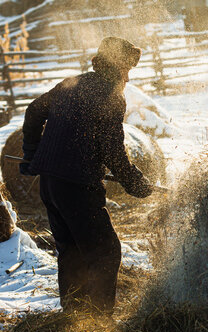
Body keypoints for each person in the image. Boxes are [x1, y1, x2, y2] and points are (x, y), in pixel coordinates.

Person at [19, 37, 153, 315]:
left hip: (50, 184)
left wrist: (32, 154)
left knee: (72, 253)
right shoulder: (111, 96)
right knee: (106, 252)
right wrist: (135, 182)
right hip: (77, 187)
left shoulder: (72, 83)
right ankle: (99, 325)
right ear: (115, 67)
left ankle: (74, 317)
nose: (128, 77)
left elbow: (33, 111)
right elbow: (113, 150)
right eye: (126, 69)